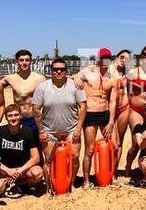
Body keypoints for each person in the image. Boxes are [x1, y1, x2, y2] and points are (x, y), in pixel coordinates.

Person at [32, 58, 87, 193]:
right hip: (50, 131)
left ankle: (71, 184)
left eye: (62, 69)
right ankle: (48, 187)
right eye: (55, 69)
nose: (58, 72)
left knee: (74, 157)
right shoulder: (42, 87)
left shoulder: (75, 86)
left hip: (71, 130)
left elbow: (83, 107)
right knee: (48, 160)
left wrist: (78, 129)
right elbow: (36, 109)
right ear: (51, 71)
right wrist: (41, 131)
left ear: (66, 71)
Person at [74, 48, 118, 189]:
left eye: (108, 58)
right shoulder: (88, 72)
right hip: (90, 113)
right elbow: (75, 77)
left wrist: (111, 122)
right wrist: (76, 79)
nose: (104, 61)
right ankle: (86, 181)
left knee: (115, 146)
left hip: (105, 113)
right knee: (90, 150)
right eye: (102, 58)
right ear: (98, 59)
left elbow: (113, 102)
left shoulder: (112, 78)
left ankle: (110, 176)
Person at [0, 104, 43, 193]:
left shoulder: (28, 131)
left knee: (37, 173)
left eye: (16, 115)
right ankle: (4, 184)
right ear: (5, 118)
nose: (13, 118)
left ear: (20, 116)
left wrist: (19, 171)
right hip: (5, 169)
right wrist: (8, 171)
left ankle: (22, 182)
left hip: (23, 169)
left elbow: (36, 158)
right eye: (10, 116)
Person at [125, 46, 146, 173]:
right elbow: (122, 87)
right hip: (136, 110)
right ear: (141, 55)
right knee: (136, 143)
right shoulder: (133, 72)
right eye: (145, 54)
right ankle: (128, 165)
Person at [0, 50, 46, 135]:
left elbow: (57, 81)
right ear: (17, 62)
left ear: (31, 61)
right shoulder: (10, 78)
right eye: (21, 60)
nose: (24, 63)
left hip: (34, 119)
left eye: (27, 60)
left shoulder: (40, 78)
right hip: (17, 119)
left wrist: (74, 77)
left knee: (35, 147)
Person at [109, 49, 132, 168]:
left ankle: (114, 171)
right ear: (117, 57)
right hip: (110, 109)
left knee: (120, 142)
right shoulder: (107, 70)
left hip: (124, 107)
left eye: (127, 59)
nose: (124, 60)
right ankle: (108, 169)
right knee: (112, 142)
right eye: (122, 57)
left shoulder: (128, 73)